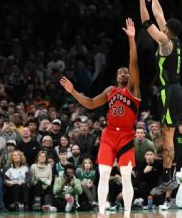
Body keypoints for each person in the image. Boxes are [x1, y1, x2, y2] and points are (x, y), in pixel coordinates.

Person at [60, 18, 140, 218]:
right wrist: (73, 92)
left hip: (127, 137)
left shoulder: (134, 89)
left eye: (125, 72)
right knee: (103, 174)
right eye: (119, 72)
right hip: (109, 135)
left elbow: (133, 62)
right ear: (115, 76)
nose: (123, 72)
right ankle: (102, 212)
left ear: (129, 76)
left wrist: (131, 39)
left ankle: (128, 214)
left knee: (125, 177)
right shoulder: (110, 90)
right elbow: (90, 103)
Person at [139, 0, 182, 192]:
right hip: (173, 91)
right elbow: (158, 14)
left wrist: (142, 1)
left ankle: (168, 177)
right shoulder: (173, 39)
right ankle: (168, 176)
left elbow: (147, 23)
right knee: (168, 134)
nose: (162, 24)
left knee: (167, 136)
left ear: (167, 29)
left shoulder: (165, 42)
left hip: (170, 92)